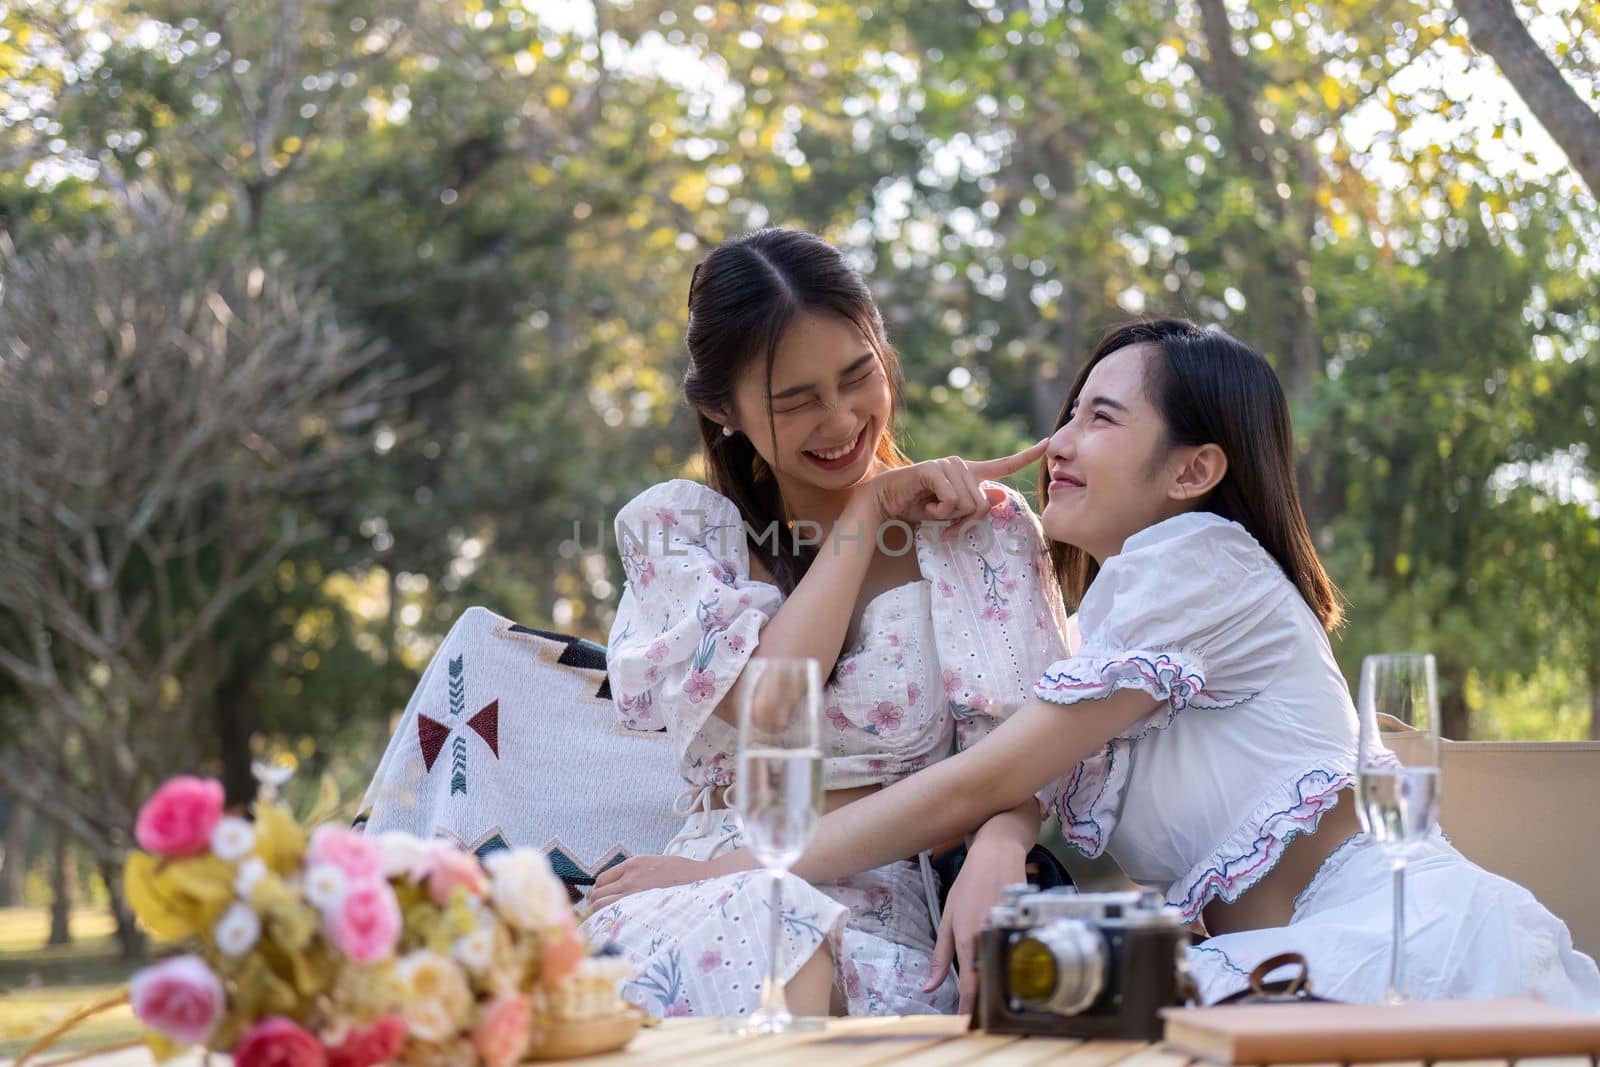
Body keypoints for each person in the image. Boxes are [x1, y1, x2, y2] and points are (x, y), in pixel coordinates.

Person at [614, 317, 1600, 1009]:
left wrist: (749, 865)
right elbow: (1016, 767)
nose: (1057, 442)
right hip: (1272, 963)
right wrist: (1006, 832)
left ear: (1192, 470)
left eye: (1100, 419)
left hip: (1388, 939)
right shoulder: (1119, 615)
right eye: (1069, 411)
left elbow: (994, 768)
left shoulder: (1198, 558)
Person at [581, 227, 1072, 1019]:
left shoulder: (980, 534)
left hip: (886, 916)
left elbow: (1019, 761)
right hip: (702, 889)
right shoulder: (678, 534)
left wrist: (1004, 838)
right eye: (797, 400)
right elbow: (776, 696)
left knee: (791, 944)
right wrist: (866, 511)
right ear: (723, 409)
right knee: (754, 941)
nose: (842, 419)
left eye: (858, 376)